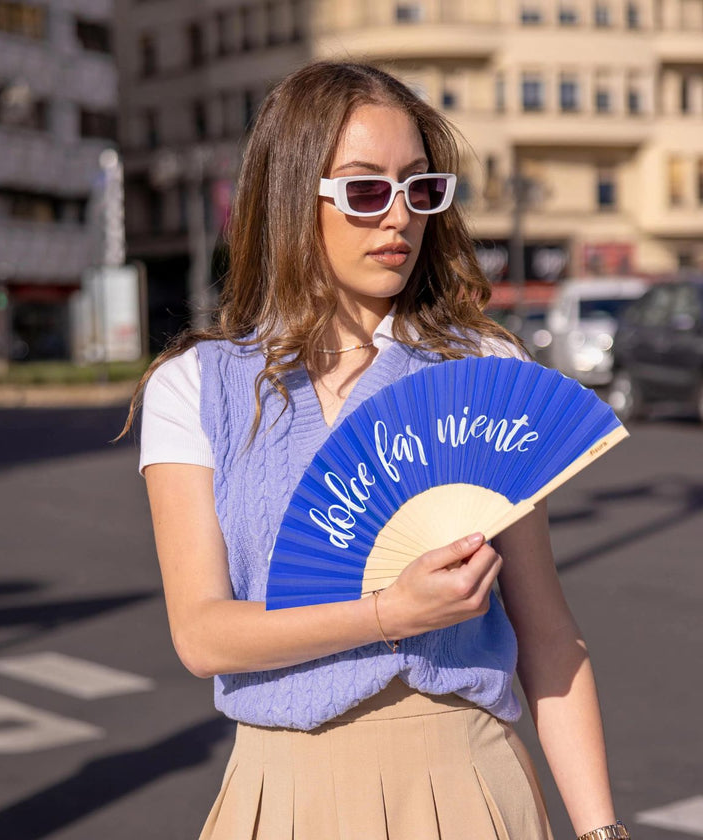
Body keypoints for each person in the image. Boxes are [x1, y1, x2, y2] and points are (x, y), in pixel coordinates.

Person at [128, 61, 630, 840]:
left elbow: (549, 634)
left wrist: (603, 833)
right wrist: (389, 613)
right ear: (295, 198)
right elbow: (202, 633)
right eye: (365, 191)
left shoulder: (483, 371)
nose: (398, 218)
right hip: (280, 790)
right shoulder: (195, 388)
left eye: (420, 188)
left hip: (467, 778)